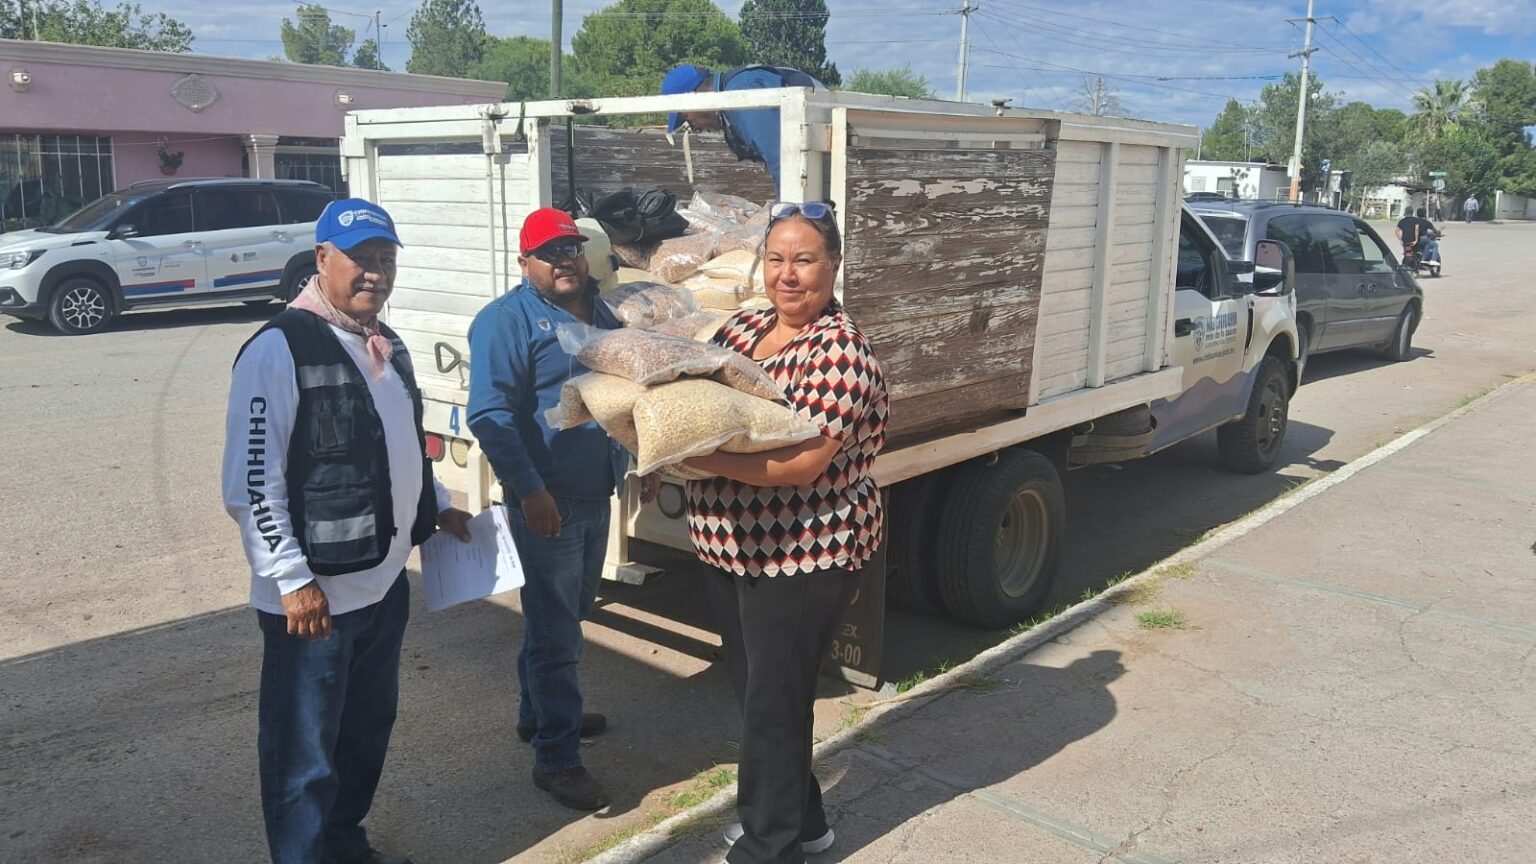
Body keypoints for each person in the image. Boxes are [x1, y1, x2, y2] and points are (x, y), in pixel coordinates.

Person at [222, 197, 473, 864]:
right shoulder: (279, 348)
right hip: (315, 603)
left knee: (363, 737)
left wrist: (440, 501)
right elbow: (251, 483)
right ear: (321, 260)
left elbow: (403, 447)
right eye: (360, 259)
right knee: (303, 756)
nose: (374, 273)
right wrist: (291, 579)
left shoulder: (385, 346)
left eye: (385, 260)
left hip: (383, 588)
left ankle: (342, 843)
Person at [678, 201, 889, 864]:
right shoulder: (742, 327)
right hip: (732, 546)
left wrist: (690, 456)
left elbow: (801, 464)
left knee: (772, 702)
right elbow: (694, 392)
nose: (788, 275)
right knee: (762, 695)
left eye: (804, 259)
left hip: (803, 554)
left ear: (833, 266)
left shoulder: (842, 354)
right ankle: (805, 822)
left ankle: (770, 848)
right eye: (776, 259)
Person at [466, 207, 655, 811]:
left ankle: (537, 715)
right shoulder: (505, 321)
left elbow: (619, 393)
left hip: (594, 488)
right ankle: (557, 757)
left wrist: (638, 460)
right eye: (548, 253)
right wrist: (530, 491)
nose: (564, 259)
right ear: (525, 263)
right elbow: (489, 415)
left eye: (570, 248)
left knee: (568, 613)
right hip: (547, 498)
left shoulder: (601, 312)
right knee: (557, 634)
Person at [659, 64, 825, 189]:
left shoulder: (741, 94)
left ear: (695, 98)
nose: (694, 128)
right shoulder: (735, 91)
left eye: (686, 117)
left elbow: (784, 161)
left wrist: (786, 216)